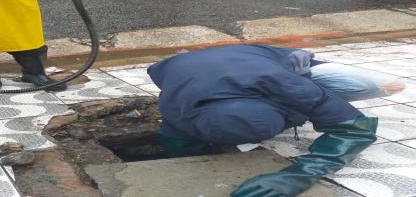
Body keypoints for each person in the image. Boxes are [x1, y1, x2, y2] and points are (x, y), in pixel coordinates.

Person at [147, 45, 378, 197]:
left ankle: (336, 93)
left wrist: (299, 175)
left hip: (267, 57)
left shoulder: (291, 86)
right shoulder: (174, 105)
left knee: (361, 85)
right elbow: (176, 139)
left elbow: (357, 130)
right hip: (186, 65)